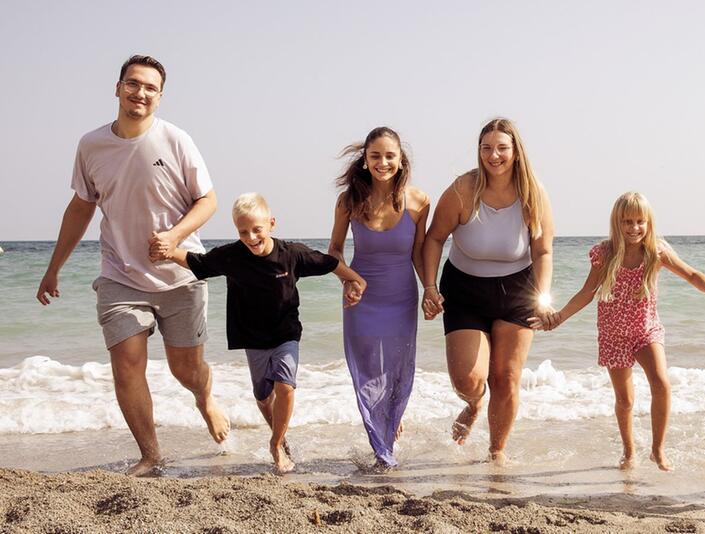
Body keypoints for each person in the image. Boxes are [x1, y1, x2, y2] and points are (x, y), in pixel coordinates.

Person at [36, 54, 230, 476]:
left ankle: (205, 398)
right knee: (126, 365)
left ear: (160, 97)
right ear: (118, 87)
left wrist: (175, 236)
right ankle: (151, 455)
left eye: (149, 88)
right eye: (132, 84)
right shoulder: (91, 145)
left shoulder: (176, 139)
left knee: (187, 370)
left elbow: (208, 200)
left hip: (181, 274)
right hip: (120, 274)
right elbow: (81, 207)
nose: (139, 93)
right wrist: (54, 268)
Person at [160, 193, 366, 473]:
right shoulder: (232, 255)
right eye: (243, 231)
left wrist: (353, 278)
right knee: (262, 396)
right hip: (252, 339)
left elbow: (328, 262)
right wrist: (169, 251)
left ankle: (276, 443)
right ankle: (280, 437)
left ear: (271, 224)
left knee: (286, 387)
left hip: (286, 335)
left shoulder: (292, 254)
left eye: (257, 229)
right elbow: (198, 262)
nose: (251, 236)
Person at [530, 192, 705, 470]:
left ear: (649, 222)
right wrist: (559, 317)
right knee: (625, 400)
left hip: (646, 331)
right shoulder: (605, 254)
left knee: (661, 383)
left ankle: (658, 449)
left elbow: (689, 273)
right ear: (617, 222)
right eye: (627, 221)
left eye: (640, 221)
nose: (634, 228)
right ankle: (629, 451)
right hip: (613, 334)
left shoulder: (657, 252)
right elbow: (586, 293)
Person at [422, 118, 555, 466]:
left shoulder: (533, 193)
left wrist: (543, 297)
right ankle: (474, 403)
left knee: (506, 376)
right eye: (486, 148)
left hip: (517, 290)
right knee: (468, 378)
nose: (493, 155)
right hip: (465, 288)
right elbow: (434, 237)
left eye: (501, 148)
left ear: (515, 152)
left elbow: (543, 251)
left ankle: (497, 452)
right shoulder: (463, 190)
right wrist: (430, 287)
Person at [328, 127, 430, 470]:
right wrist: (350, 279)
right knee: (368, 371)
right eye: (375, 156)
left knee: (400, 368)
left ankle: (390, 422)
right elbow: (335, 252)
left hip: (401, 295)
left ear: (401, 160)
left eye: (390, 156)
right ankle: (382, 448)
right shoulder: (349, 201)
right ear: (365, 159)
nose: (383, 162)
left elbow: (419, 253)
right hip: (362, 299)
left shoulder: (419, 202)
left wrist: (430, 288)